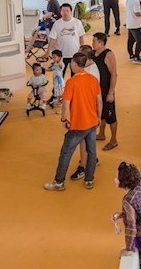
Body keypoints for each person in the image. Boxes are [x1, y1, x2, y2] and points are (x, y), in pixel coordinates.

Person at [44, 52, 102, 190]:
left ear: (74, 64)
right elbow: (99, 101)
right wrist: (98, 118)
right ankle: (89, 180)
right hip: (92, 122)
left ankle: (59, 182)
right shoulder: (93, 80)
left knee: (66, 153)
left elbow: (66, 104)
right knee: (92, 152)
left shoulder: (71, 82)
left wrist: (64, 119)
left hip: (78, 125)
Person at [70, 45, 101, 181]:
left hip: (87, 111)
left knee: (83, 139)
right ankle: (92, 159)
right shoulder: (90, 69)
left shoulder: (90, 74)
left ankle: (83, 167)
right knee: (88, 139)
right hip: (90, 111)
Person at [93, 33, 120, 151]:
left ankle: (114, 140)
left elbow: (114, 74)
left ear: (100, 43)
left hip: (106, 89)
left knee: (110, 115)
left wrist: (111, 92)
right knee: (101, 112)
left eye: (94, 41)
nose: (92, 43)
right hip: (97, 90)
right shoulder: (93, 54)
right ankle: (101, 133)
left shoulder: (108, 54)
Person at [48, 3, 86, 76]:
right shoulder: (57, 24)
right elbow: (52, 39)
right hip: (61, 55)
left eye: (67, 10)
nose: (65, 12)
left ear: (71, 12)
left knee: (75, 76)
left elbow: (81, 37)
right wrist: (47, 52)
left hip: (75, 54)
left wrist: (82, 50)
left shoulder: (77, 22)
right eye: (63, 11)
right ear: (60, 12)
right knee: (60, 75)